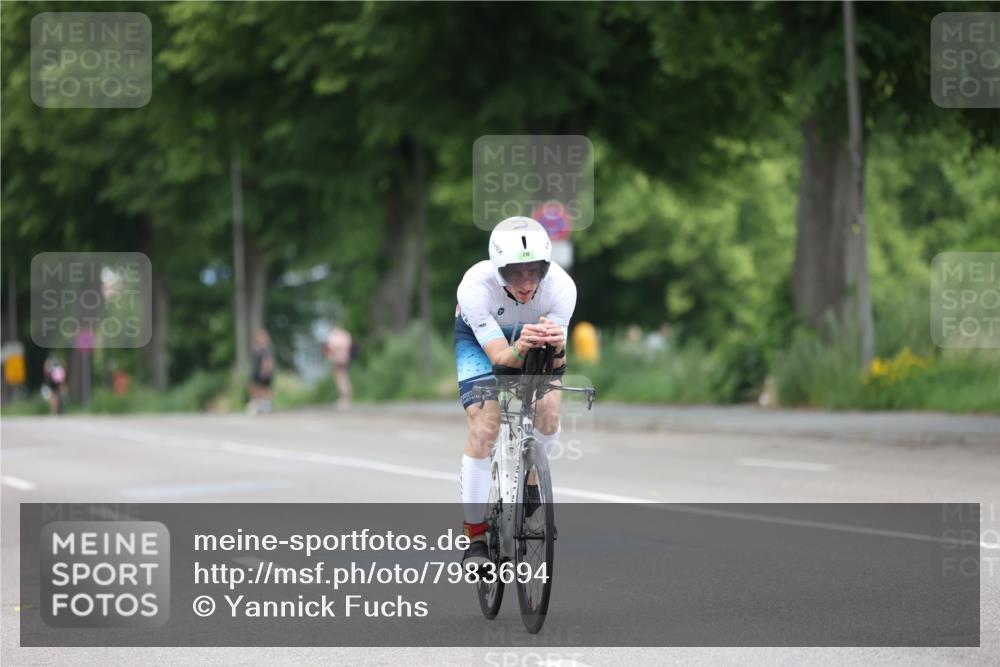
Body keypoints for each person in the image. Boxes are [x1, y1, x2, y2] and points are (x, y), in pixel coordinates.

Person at [455, 216, 576, 567]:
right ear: (497, 271)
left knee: (549, 412)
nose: (526, 284)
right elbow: (501, 361)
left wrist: (559, 349)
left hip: (530, 336)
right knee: (486, 424)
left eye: (535, 271)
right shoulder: (475, 288)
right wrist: (521, 348)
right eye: (514, 274)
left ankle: (533, 478)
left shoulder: (561, 288)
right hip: (482, 343)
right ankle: (475, 537)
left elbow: (557, 364)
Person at [325, 322, 353, 409]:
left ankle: (345, 399)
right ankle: (346, 398)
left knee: (340, 379)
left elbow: (332, 347)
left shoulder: (336, 336)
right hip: (344, 359)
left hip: (339, 359)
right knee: (343, 378)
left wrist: (330, 352)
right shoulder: (346, 335)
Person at [247, 329, 275, 415]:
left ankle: (267, 405)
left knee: (266, 388)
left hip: (264, 370)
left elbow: (269, 360)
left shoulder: (267, 348)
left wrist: (266, 370)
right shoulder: (256, 347)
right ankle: (259, 404)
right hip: (256, 370)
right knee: (254, 387)